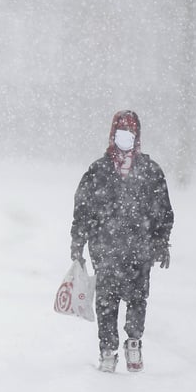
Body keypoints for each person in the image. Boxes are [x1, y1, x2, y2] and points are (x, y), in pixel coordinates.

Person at [69, 110, 174, 373]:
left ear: (137, 137)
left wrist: (162, 241)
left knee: (138, 298)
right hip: (106, 249)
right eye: (120, 133)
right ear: (112, 135)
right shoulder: (98, 170)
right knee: (107, 300)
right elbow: (83, 208)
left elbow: (163, 210)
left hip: (140, 249)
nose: (124, 139)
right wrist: (78, 241)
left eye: (129, 134)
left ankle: (134, 341)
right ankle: (108, 349)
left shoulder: (150, 172)